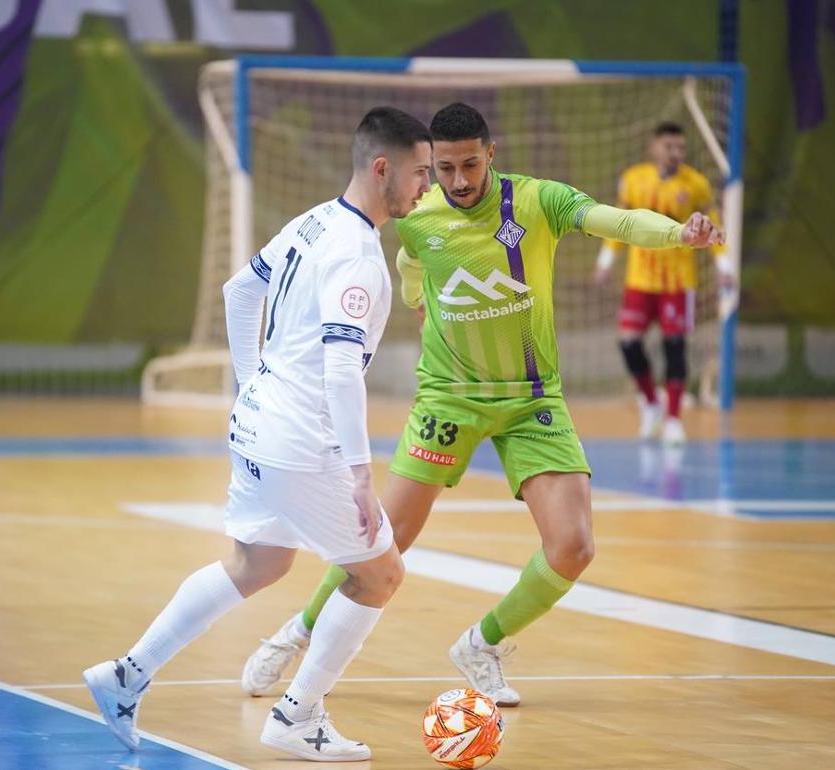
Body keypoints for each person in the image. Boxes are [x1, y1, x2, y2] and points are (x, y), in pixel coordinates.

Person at [242, 103, 722, 707]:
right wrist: (415, 294)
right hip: (450, 396)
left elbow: (613, 221)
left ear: (491, 154)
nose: (460, 180)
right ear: (429, 166)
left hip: (531, 398)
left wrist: (679, 234)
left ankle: (483, 644)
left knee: (573, 548)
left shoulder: (538, 200)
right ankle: (295, 634)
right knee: (378, 541)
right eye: (444, 168)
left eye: (471, 164)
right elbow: (407, 260)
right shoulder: (417, 217)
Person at [83, 106, 432, 761]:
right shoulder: (358, 255)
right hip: (301, 441)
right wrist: (359, 472)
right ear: (382, 167)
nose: (428, 187)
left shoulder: (311, 221)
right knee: (380, 575)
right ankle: (297, 716)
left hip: (257, 426)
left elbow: (239, 292)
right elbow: (337, 370)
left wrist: (250, 386)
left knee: (259, 563)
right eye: (420, 173)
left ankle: (125, 676)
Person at [593, 121, 725, 444]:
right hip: (640, 280)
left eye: (680, 147)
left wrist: (722, 262)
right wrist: (605, 260)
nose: (676, 153)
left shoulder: (696, 184)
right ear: (654, 148)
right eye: (669, 146)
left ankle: (674, 420)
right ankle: (651, 403)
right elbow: (619, 224)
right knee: (628, 342)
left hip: (679, 282)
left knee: (675, 347)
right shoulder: (634, 180)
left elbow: (713, 225)